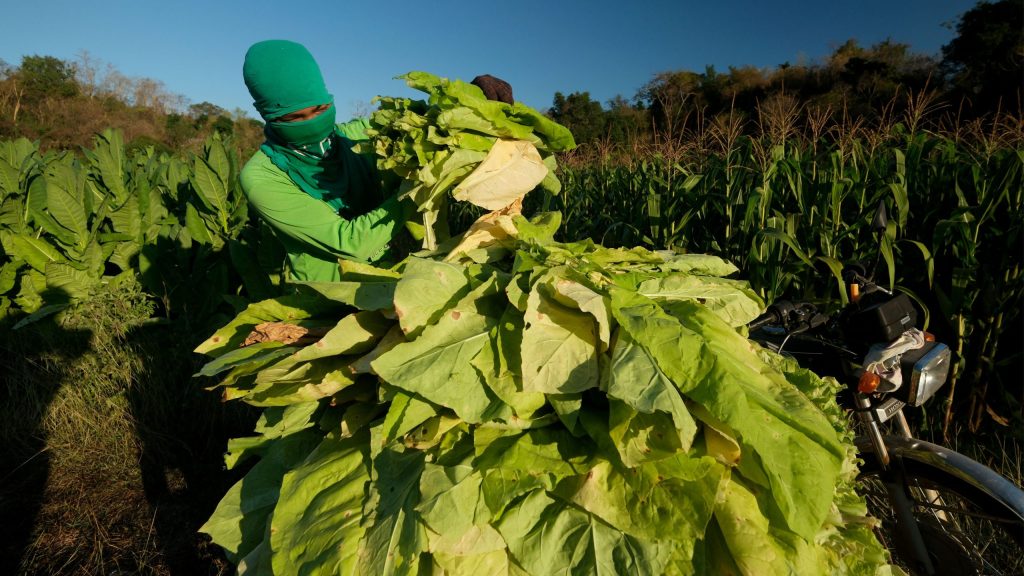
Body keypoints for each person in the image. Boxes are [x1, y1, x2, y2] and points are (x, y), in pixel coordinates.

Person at [240, 40, 513, 282]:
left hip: (391, 278)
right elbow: (349, 242)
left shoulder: (359, 135)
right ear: (267, 115)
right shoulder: (263, 176)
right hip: (329, 297)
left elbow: (423, 123)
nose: (312, 122)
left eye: (320, 109)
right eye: (294, 118)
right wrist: (415, 188)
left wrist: (470, 100)